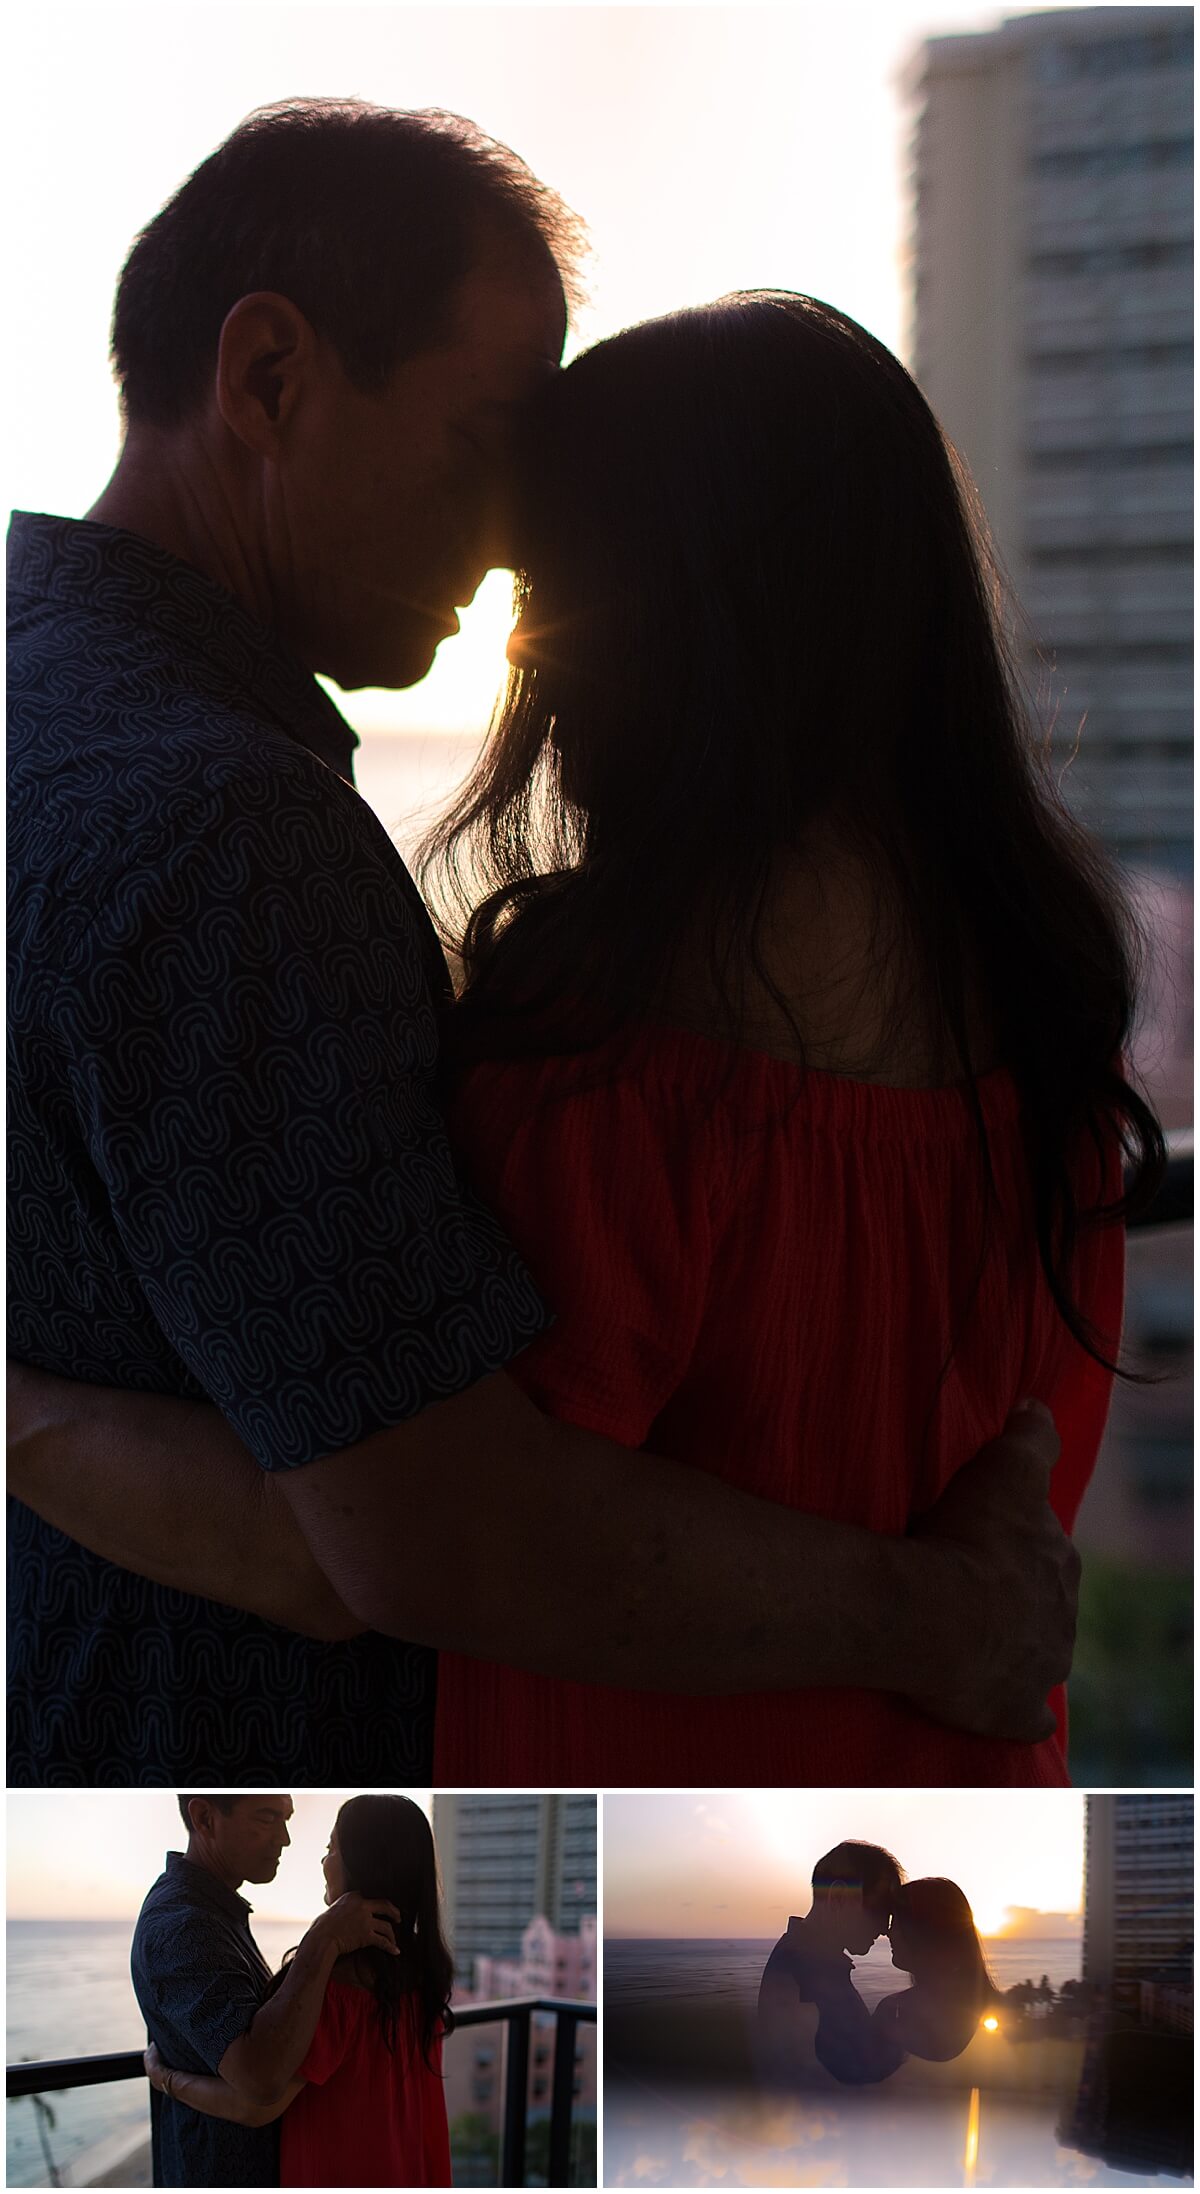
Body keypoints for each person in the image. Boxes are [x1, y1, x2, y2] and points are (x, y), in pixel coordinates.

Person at [8, 100, 1077, 1788]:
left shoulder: (41, 704)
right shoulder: (231, 829)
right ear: (271, 378)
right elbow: (420, 1524)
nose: (507, 543)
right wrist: (936, 1616)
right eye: (481, 441)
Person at [143, 1796, 453, 2189]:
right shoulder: (419, 1970)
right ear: (204, 1818)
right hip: (406, 2168)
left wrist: (165, 2078)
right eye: (268, 1818)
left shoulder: (340, 1987)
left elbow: (258, 2102)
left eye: (330, 1848)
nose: (288, 1840)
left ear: (362, 1864)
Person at [756, 1842, 906, 2090]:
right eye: (881, 1910)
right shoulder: (810, 1966)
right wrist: (902, 2028)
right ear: (839, 1897)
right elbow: (858, 2068)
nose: (884, 1928)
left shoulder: (804, 1957)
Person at [874, 1877, 1002, 2062]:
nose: (888, 1932)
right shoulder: (983, 2010)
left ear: (923, 1930)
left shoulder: (894, 2011)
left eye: (897, 1922)